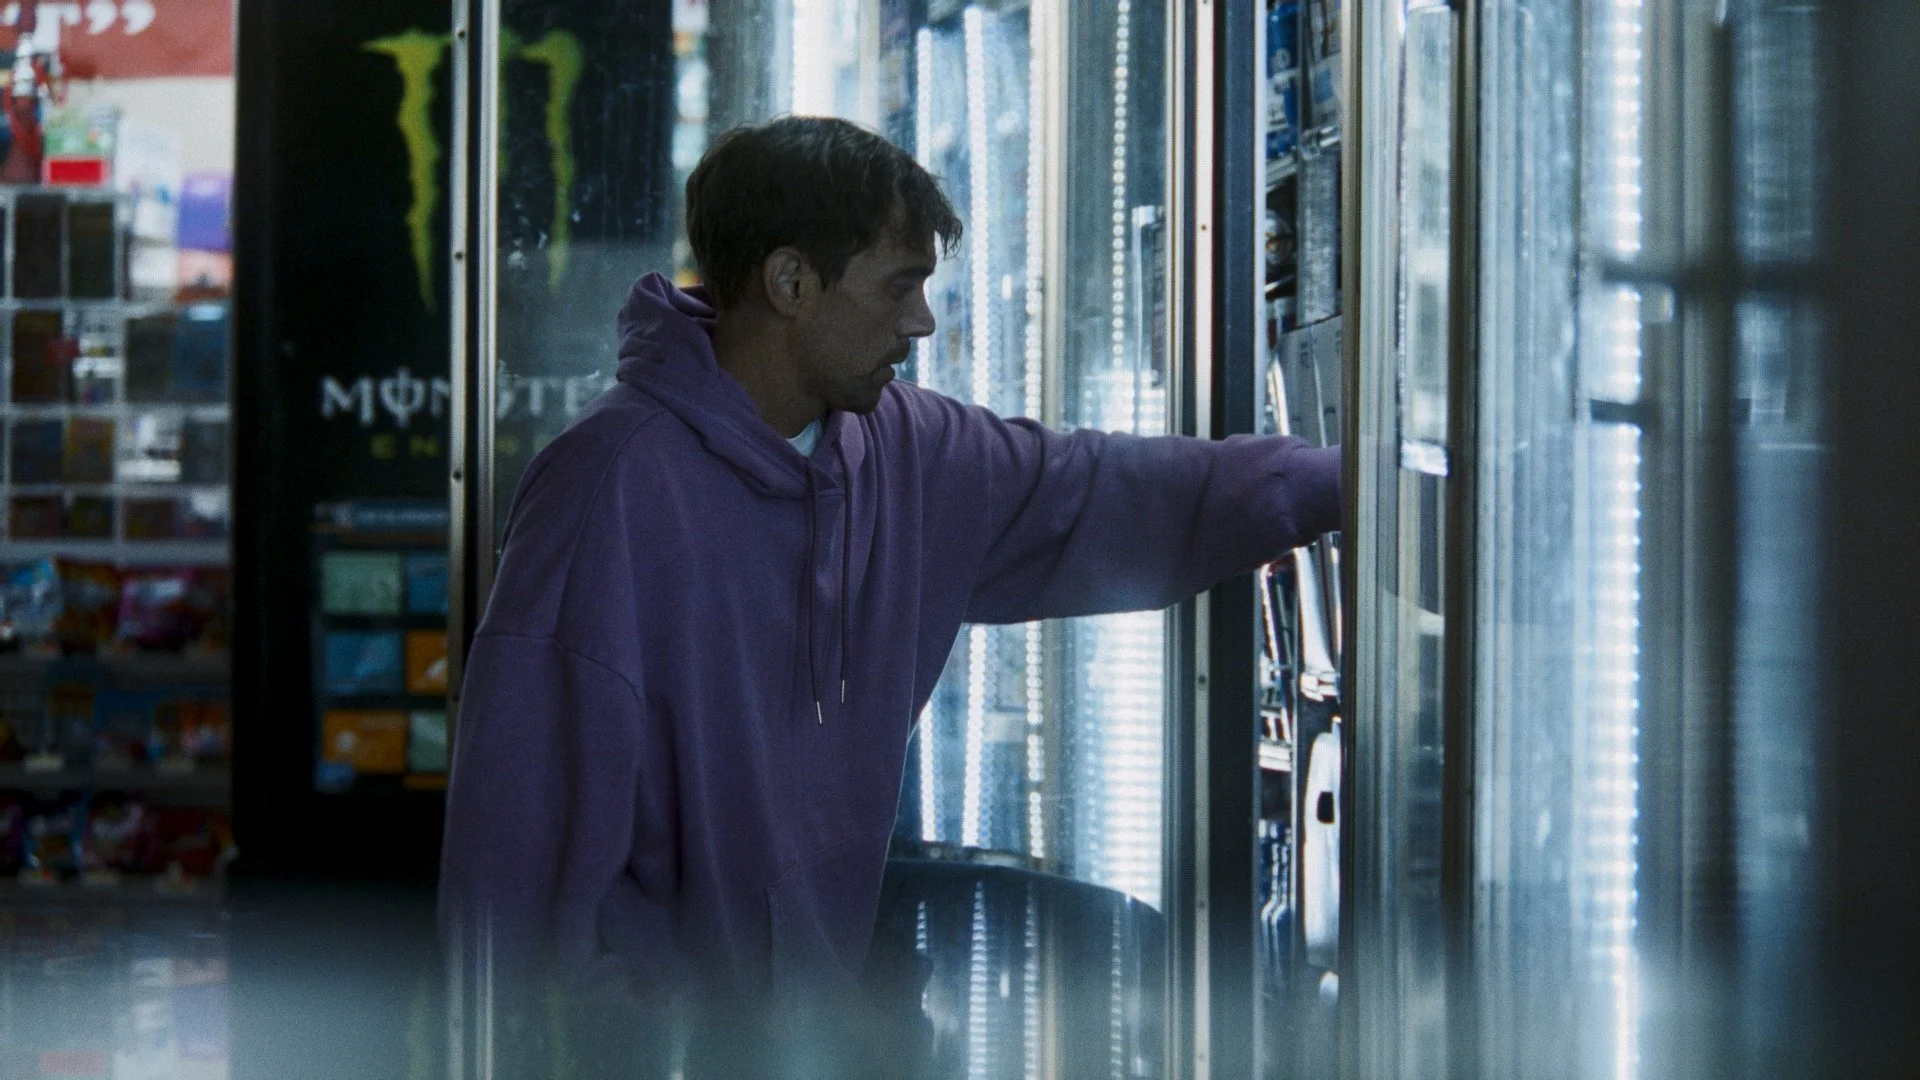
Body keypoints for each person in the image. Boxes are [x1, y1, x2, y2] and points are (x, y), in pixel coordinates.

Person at [439, 116, 1340, 1072]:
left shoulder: (907, 451)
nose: (923, 323)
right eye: (900, 286)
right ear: (791, 283)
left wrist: (1347, 484)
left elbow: (1110, 492)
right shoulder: (606, 489)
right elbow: (513, 869)